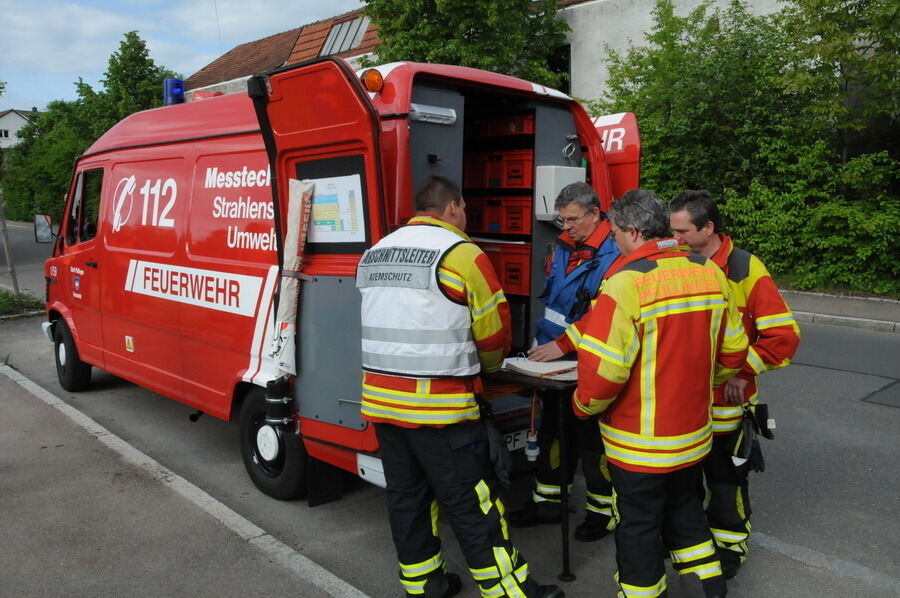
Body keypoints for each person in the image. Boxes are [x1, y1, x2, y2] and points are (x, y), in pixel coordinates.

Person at [356, 175, 564, 598]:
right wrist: (490, 371)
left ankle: (423, 584)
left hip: (382, 404)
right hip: (441, 410)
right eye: (464, 209)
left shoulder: (376, 251)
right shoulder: (462, 255)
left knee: (407, 499)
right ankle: (508, 591)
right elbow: (493, 334)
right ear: (452, 207)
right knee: (474, 502)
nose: (466, 216)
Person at [573, 189, 749, 598]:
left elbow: (603, 375)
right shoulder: (708, 270)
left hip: (639, 444)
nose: (613, 240)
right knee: (687, 512)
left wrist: (583, 407)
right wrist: (701, 386)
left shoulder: (625, 283)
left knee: (638, 527)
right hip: (693, 435)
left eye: (615, 233)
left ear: (633, 232)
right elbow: (734, 351)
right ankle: (710, 589)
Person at [669, 189, 800, 579]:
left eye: (681, 232)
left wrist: (743, 373)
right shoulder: (678, 263)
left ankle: (730, 547)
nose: (673, 240)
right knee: (685, 482)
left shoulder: (744, 268)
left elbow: (784, 336)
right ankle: (691, 544)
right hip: (683, 405)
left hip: (725, 407)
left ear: (708, 228)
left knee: (726, 483)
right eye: (671, 231)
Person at [509, 182, 621, 543]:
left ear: (594, 213)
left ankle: (602, 512)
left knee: (590, 440)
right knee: (553, 433)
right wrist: (541, 345)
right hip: (553, 357)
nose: (566, 226)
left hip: (586, 359)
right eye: (562, 220)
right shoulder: (562, 245)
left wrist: (561, 345)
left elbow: (604, 314)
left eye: (572, 219)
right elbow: (555, 302)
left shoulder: (615, 252)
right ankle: (548, 502)